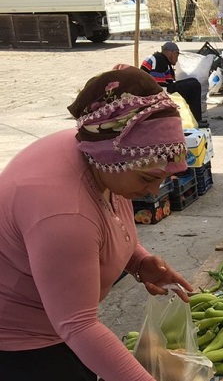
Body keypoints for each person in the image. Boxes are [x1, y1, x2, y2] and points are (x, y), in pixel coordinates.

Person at [0, 65, 195, 380]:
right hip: (19, 340)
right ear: (108, 157)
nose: (154, 190)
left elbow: (104, 217)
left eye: (163, 177)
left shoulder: (100, 150)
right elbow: (79, 325)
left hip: (58, 324)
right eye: (148, 178)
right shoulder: (64, 211)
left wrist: (137, 260)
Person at [140, 42, 210, 128]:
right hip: (156, 93)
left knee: (192, 82)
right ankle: (196, 119)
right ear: (172, 53)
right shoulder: (160, 61)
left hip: (160, 89)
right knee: (193, 85)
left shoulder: (159, 58)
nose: (176, 60)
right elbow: (160, 87)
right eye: (177, 56)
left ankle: (194, 118)